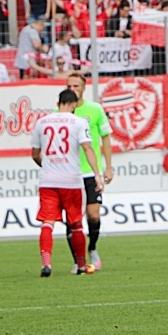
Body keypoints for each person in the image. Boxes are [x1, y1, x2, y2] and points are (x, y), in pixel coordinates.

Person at [30, 88, 102, 277]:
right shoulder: (78, 122)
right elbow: (88, 148)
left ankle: (47, 264)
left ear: (58, 103)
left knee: (47, 222)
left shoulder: (41, 122)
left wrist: (45, 165)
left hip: (48, 180)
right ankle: (80, 265)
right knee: (76, 223)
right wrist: (97, 175)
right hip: (71, 181)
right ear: (74, 104)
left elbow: (35, 154)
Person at [66, 73, 114, 272]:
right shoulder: (60, 112)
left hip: (89, 172)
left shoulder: (94, 109)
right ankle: (78, 261)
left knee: (93, 215)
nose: (72, 88)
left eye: (76, 85)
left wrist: (108, 167)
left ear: (83, 88)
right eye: (69, 85)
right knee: (72, 219)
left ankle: (92, 248)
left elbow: (105, 138)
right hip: (68, 174)